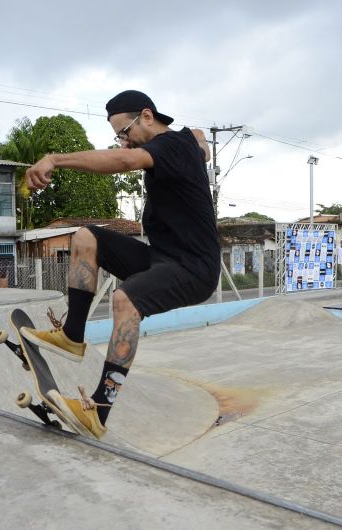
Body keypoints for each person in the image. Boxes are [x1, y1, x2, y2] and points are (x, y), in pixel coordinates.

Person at [19, 90, 218, 439]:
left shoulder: (170, 145)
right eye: (118, 138)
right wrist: (200, 144)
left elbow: (123, 164)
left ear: (146, 115)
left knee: (126, 300)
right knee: (85, 238)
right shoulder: (188, 144)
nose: (123, 144)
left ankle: (98, 409)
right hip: (161, 257)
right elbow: (201, 141)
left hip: (195, 268)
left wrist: (55, 159)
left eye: (124, 133)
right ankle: (72, 335)